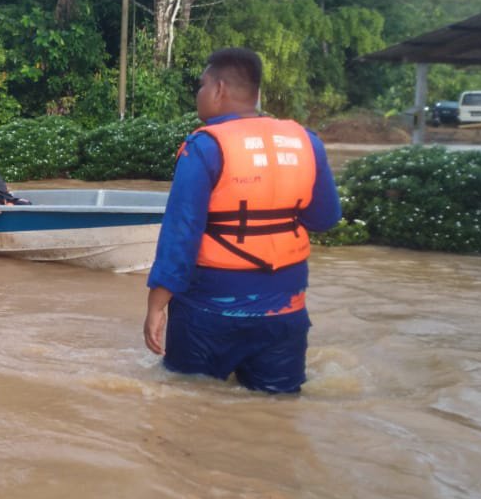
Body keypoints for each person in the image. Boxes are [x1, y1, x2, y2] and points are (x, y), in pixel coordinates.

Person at [143, 47, 341, 394]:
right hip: (285, 312)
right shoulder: (307, 143)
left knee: (186, 407)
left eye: (201, 87)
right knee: (274, 415)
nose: (199, 95)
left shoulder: (203, 147)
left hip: (208, 314)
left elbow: (180, 237)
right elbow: (325, 218)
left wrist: (155, 307)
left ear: (219, 89)